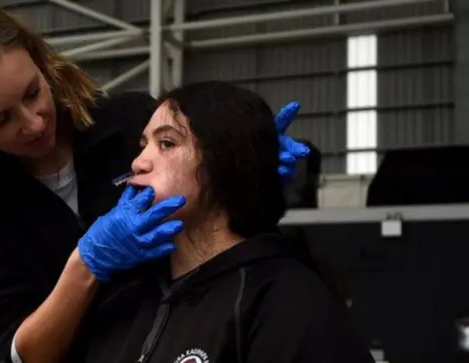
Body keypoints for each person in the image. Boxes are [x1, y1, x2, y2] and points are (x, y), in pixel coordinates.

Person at [0, 1, 310, 362]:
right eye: (1, 119)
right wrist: (86, 264)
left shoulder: (130, 120)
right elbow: (24, 353)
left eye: (32, 93)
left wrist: (244, 164)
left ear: (43, 64)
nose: (35, 121)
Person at [71, 81, 374, 363]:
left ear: (223, 163)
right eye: (142, 145)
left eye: (166, 143)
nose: (138, 162)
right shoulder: (128, 300)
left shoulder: (286, 302)